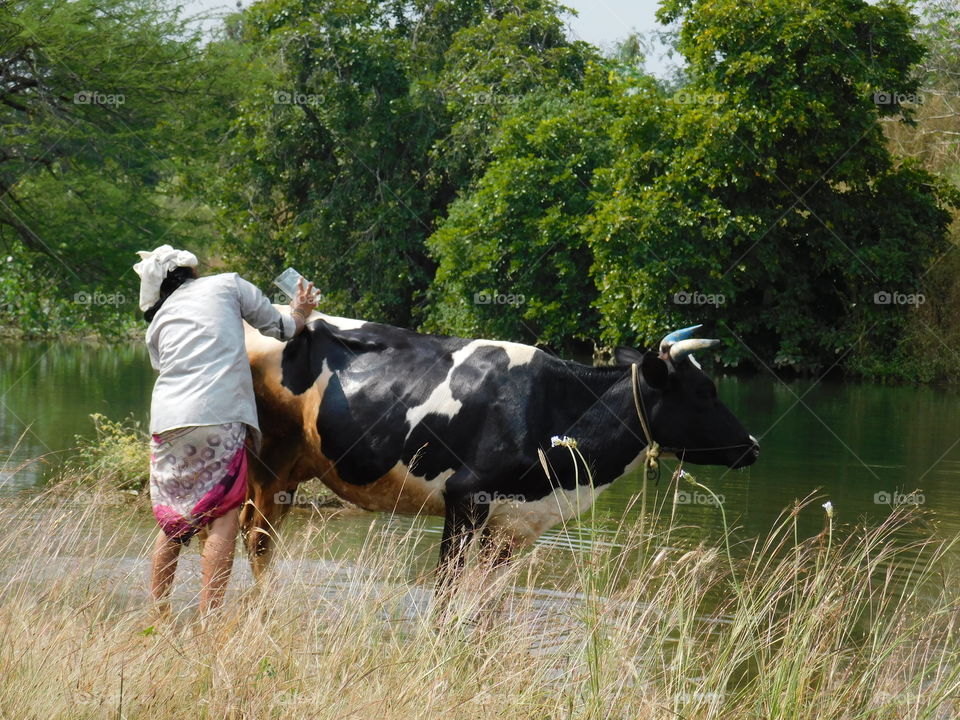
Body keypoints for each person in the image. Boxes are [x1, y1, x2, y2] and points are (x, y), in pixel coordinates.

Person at [133, 245, 319, 615]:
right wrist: (301, 309)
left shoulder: (159, 321)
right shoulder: (228, 285)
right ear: (192, 272)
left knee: (174, 517)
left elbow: (169, 365)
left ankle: (158, 612)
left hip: (167, 421)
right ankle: (210, 616)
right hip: (219, 415)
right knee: (224, 510)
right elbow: (281, 329)